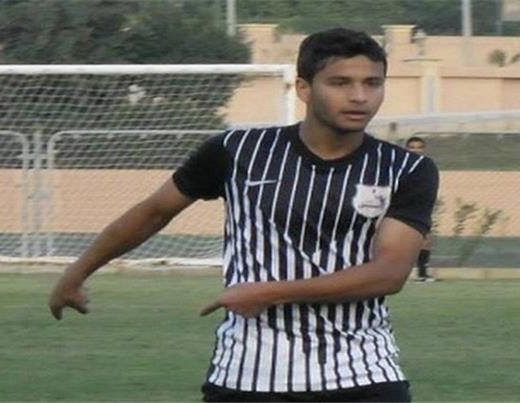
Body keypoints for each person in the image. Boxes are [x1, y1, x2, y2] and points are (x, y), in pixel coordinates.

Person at [48, 28, 438, 402]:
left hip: (363, 375)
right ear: (304, 88)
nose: (359, 96)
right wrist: (76, 272)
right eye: (340, 83)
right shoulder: (237, 150)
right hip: (248, 377)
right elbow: (153, 213)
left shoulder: (407, 169)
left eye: (373, 83)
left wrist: (268, 292)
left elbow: (389, 273)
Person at [405, 137, 437, 282]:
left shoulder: (427, 165)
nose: (416, 150)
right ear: (407, 149)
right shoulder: (401, 164)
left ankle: (422, 273)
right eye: (412, 147)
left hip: (420, 208)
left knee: (426, 239)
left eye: (419, 147)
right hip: (401, 207)